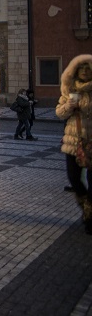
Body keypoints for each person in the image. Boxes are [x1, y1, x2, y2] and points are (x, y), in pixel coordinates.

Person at [55, 54, 92, 234]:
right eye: (81, 68)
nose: (85, 71)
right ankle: (87, 207)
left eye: (88, 68)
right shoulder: (69, 91)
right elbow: (59, 113)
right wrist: (69, 105)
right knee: (73, 178)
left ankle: (90, 218)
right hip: (73, 140)